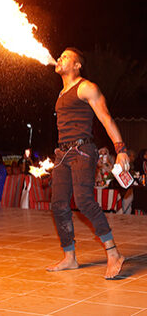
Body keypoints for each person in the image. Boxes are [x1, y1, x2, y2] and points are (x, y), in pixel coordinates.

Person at [47, 47, 129, 279]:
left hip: (82, 150)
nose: (60, 58)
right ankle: (70, 257)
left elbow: (106, 118)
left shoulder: (86, 87)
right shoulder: (62, 93)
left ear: (77, 65)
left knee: (83, 201)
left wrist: (120, 149)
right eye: (60, 55)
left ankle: (113, 253)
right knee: (59, 204)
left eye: (66, 56)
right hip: (62, 154)